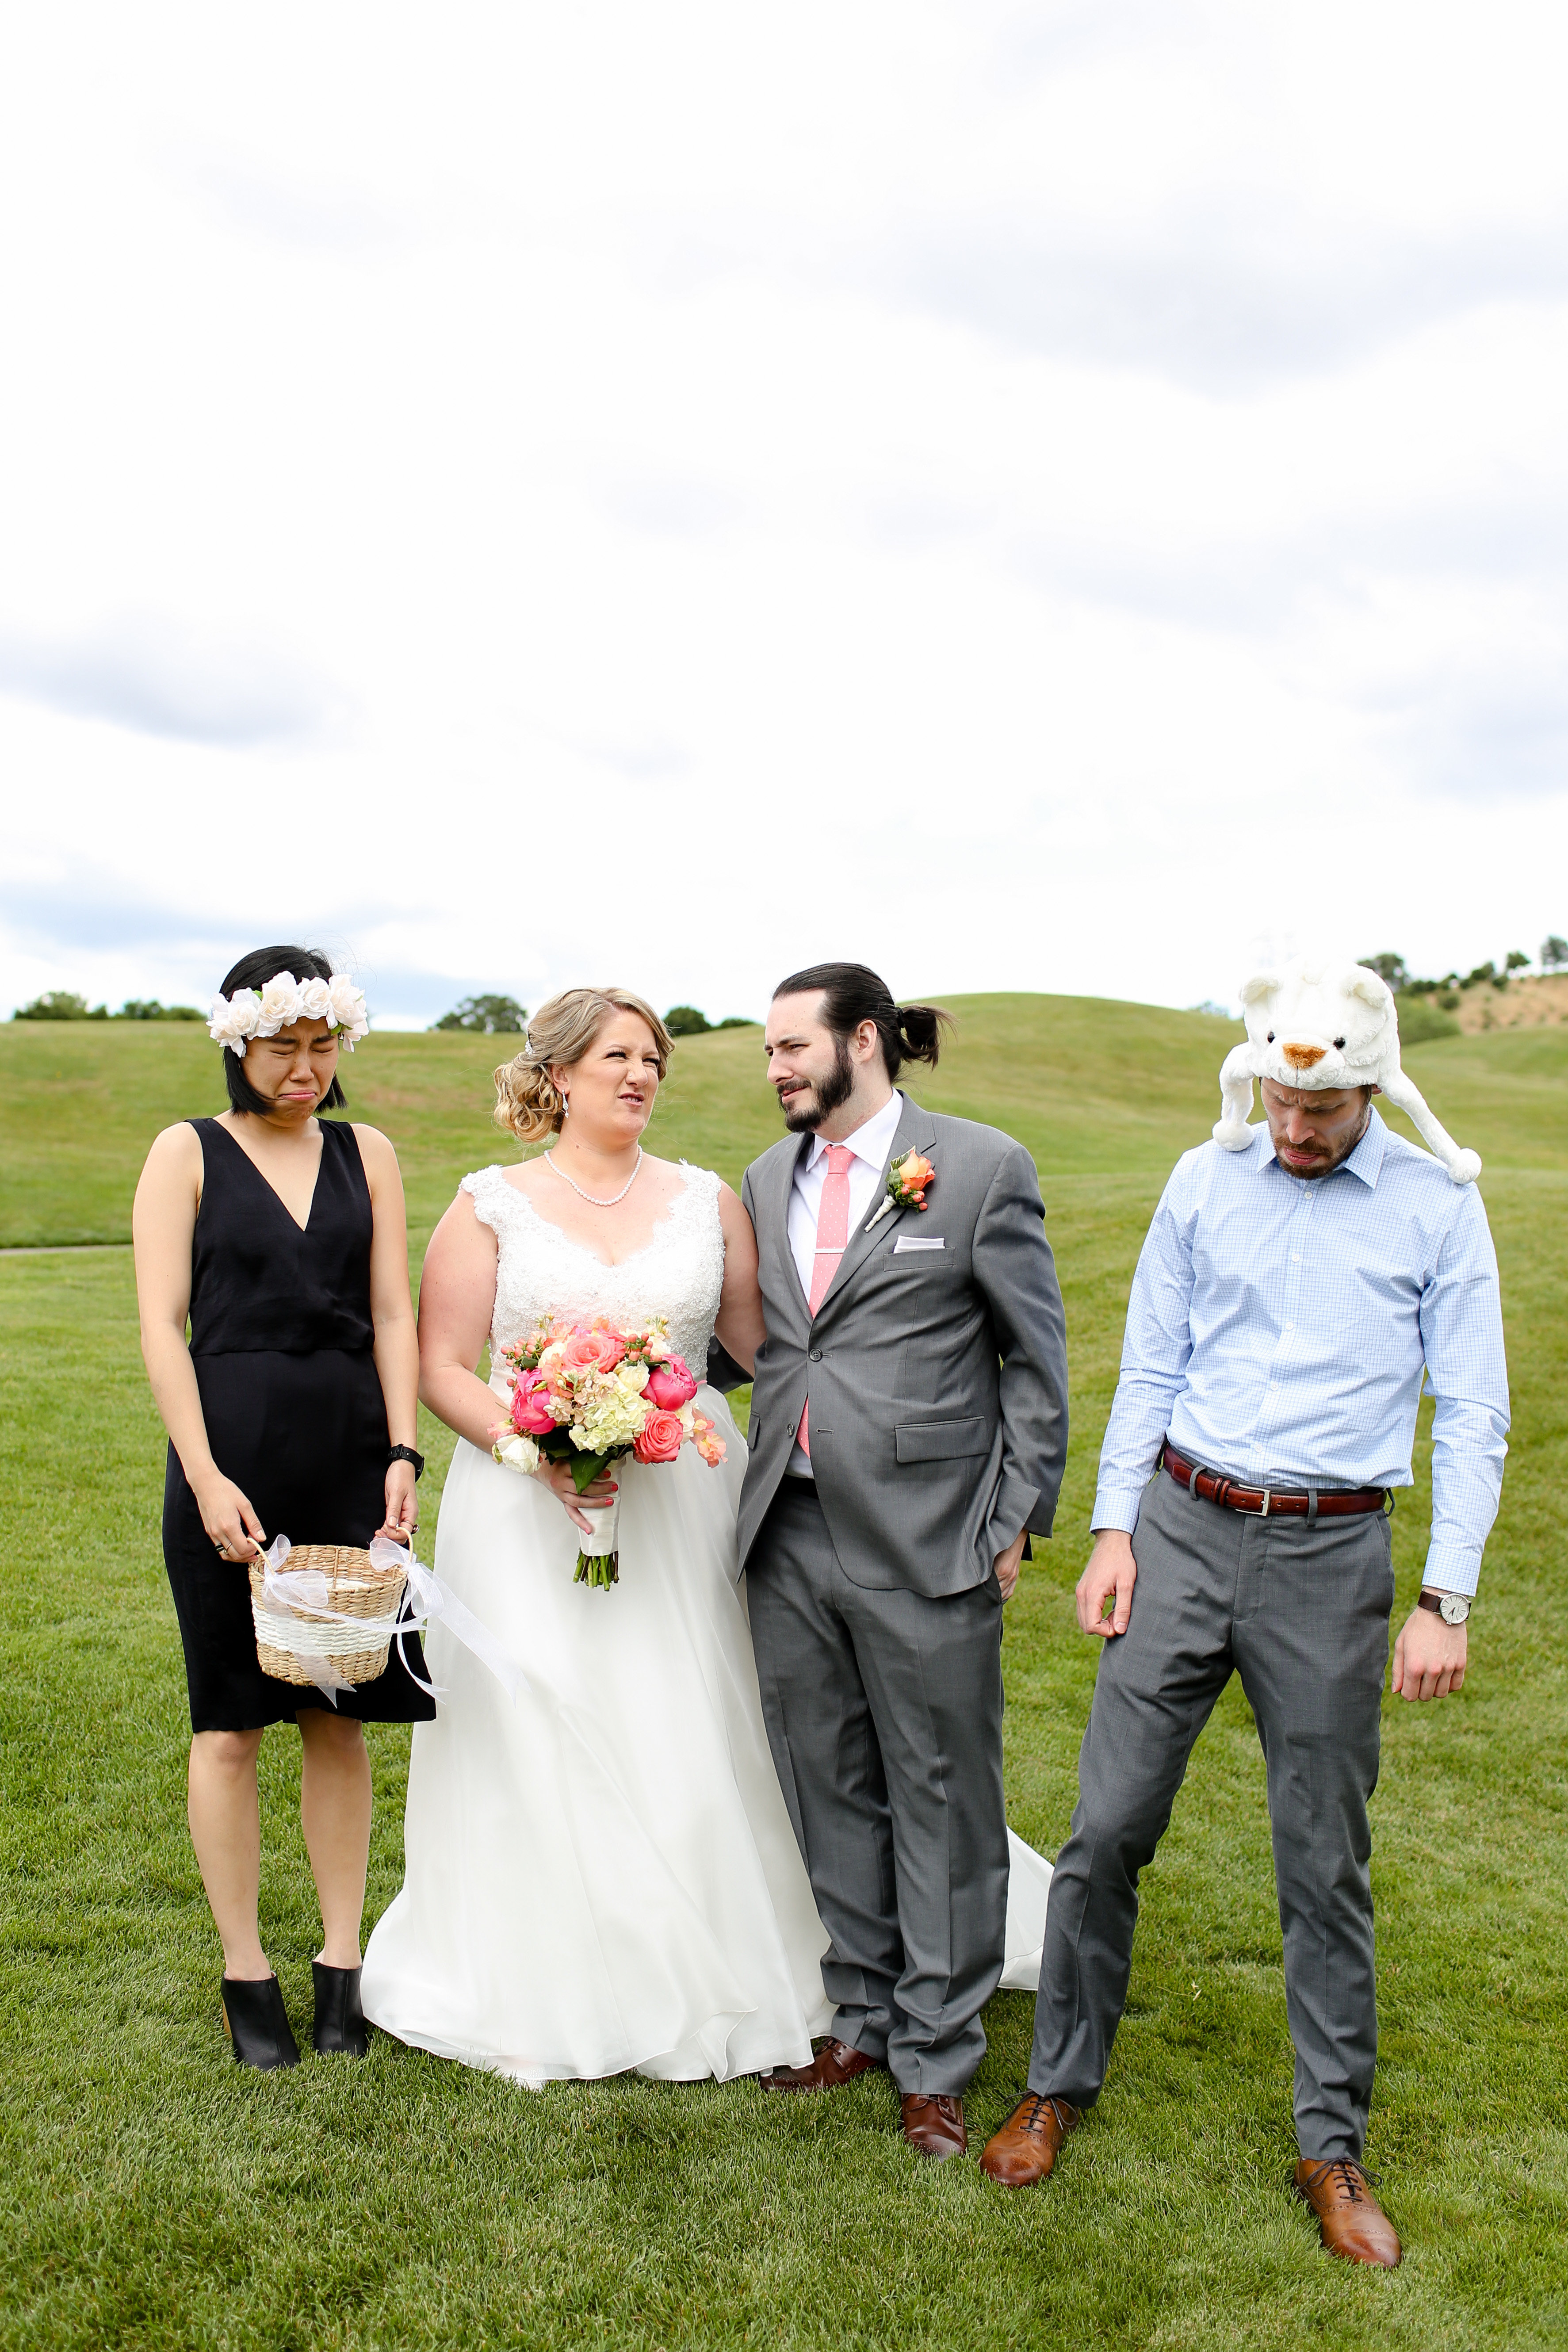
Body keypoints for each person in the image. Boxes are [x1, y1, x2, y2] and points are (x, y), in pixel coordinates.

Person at [980, 979, 1510, 2271]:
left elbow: (1474, 1411)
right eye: (1280, 1097)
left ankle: (1331, 2147)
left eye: (1322, 1106)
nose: (1295, 1125)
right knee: (1104, 1831)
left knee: (1320, 1861)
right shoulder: (1201, 1180)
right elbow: (1150, 1361)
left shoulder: (1439, 1208)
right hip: (1181, 1529)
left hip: (1333, 1553)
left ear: (1368, 1090)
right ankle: (1057, 2086)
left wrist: (1444, 1595)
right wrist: (1113, 1532)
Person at [359, 987, 835, 2083]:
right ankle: (551, 1968)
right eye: (618, 1055)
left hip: (682, 1493)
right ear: (559, 1074)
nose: (641, 1074)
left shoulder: (707, 1199)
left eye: (654, 1058)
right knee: (546, 1713)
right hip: (524, 1504)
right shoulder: (490, 1204)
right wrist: (540, 1453)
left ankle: (725, 1946)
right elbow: (442, 1364)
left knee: (692, 1709)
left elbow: (765, 1346)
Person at [738, 962, 1071, 2161]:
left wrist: (1010, 1519)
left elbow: (1034, 1360)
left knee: (942, 1795)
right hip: (787, 1529)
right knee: (826, 1783)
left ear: (861, 1041)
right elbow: (775, 1341)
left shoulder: (978, 1167)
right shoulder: (764, 1176)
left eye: (789, 1046)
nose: (772, 1068)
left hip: (930, 1536)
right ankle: (862, 2019)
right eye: (766, 1051)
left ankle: (937, 2060)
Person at [134, 946, 432, 2072]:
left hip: (352, 1457)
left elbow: (394, 1310)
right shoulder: (187, 1151)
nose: (306, 1069)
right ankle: (246, 1967)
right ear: (237, 1044)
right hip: (230, 1460)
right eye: (284, 1048)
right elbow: (164, 1324)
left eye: (323, 1048)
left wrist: (404, 1449)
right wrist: (207, 1476)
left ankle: (342, 1969)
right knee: (229, 1722)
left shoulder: (371, 1152)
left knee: (338, 1715)